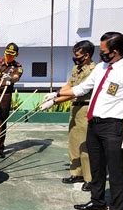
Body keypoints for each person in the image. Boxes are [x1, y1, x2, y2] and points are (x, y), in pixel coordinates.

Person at [44, 32, 123, 210]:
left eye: (104, 51)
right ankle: (97, 200)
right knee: (96, 167)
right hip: (95, 124)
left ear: (115, 52)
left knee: (115, 172)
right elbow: (81, 89)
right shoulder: (101, 68)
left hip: (114, 127)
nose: (100, 54)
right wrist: (55, 95)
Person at [40, 40, 96, 191]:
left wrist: (55, 101)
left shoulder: (92, 70)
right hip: (75, 109)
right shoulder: (76, 68)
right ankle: (77, 173)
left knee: (85, 146)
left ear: (87, 55)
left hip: (86, 108)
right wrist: (54, 96)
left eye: (77, 55)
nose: (75, 58)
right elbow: (69, 86)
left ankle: (90, 179)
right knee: (74, 143)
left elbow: (76, 91)